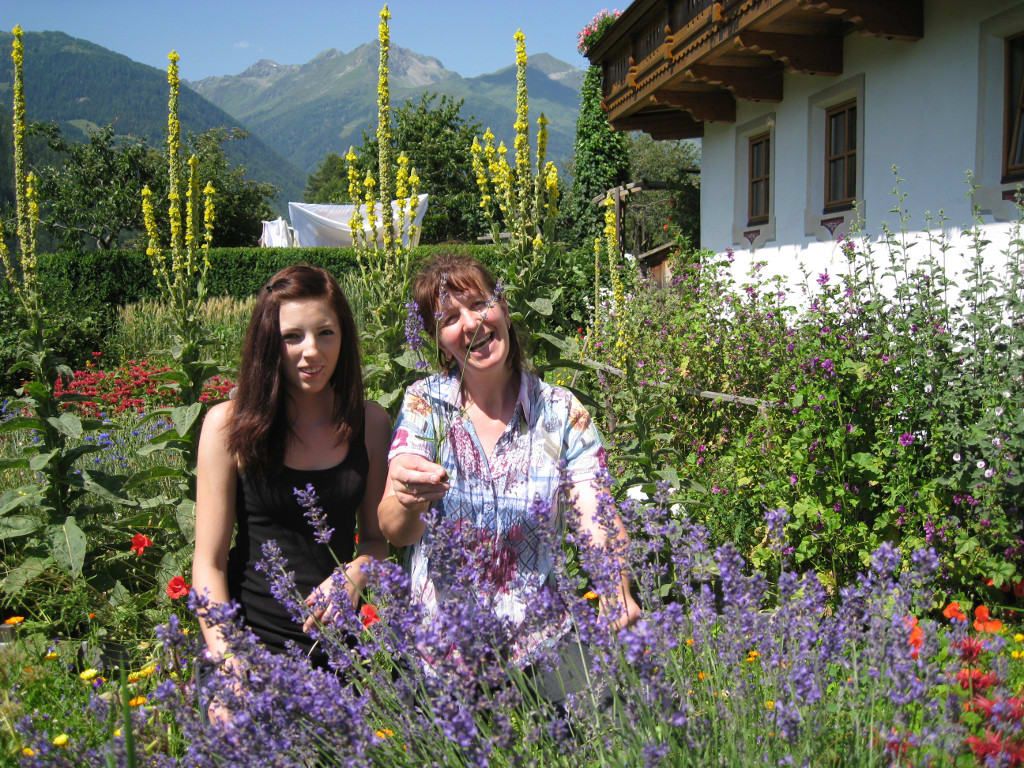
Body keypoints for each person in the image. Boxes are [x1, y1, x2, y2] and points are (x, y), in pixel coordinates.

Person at [379, 253, 640, 686]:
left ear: (502, 306)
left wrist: (615, 587)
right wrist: (407, 498)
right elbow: (395, 530)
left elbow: (594, 510)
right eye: (449, 318)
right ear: (438, 340)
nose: (471, 324)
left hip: (541, 650)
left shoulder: (560, 412)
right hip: (442, 658)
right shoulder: (425, 406)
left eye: (479, 304)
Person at [193, 265, 390, 675]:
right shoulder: (226, 426)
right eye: (292, 336)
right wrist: (229, 658)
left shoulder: (370, 424)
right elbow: (209, 563)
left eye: (325, 333)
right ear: (269, 342)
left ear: (344, 337)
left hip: (338, 653)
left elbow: (376, 540)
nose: (312, 351)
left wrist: (355, 572)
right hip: (248, 647)